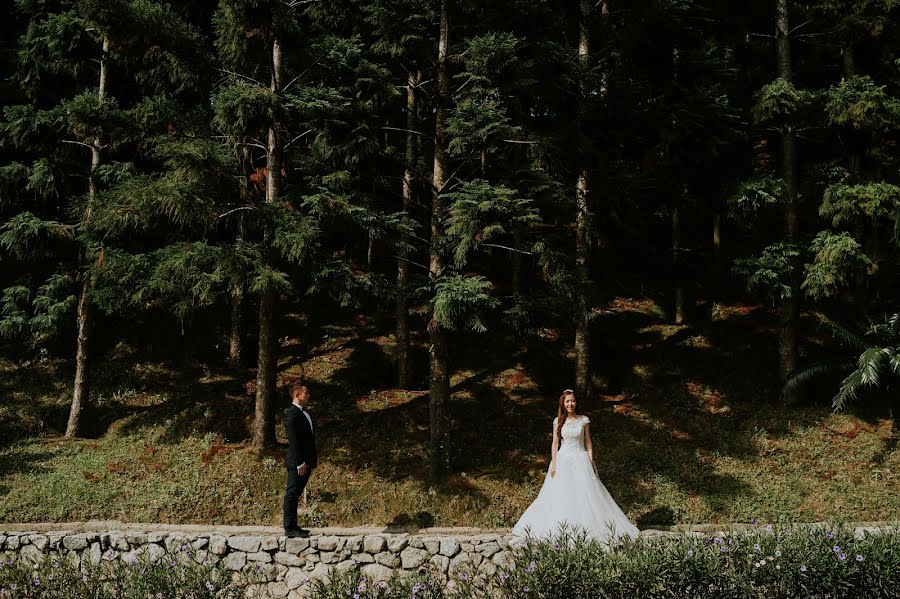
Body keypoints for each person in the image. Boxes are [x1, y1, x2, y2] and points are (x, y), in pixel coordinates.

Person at [512, 389, 639, 543]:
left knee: (586, 495)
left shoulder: (583, 420)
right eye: (567, 401)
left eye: (572, 401)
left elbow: (588, 442)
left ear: (575, 402)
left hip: (580, 459)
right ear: (563, 404)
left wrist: (591, 461)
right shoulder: (557, 421)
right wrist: (553, 464)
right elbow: (555, 443)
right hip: (563, 460)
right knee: (561, 495)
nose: (570, 404)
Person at [283, 380, 317, 538]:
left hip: (307, 461)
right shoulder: (291, 414)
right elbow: (294, 441)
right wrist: (299, 462)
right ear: (297, 395)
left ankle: (294, 526)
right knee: (291, 494)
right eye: (306, 393)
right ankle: (289, 527)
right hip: (298, 463)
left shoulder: (305, 413)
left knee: (295, 494)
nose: (308, 395)